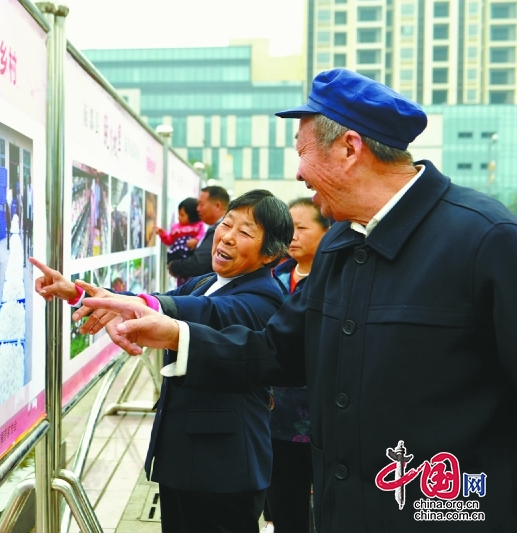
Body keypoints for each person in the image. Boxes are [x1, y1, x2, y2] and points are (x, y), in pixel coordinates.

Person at [81, 69, 517, 532]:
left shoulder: (485, 242)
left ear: (350, 149)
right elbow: (278, 351)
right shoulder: (339, 246)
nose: (298, 172)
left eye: (303, 151)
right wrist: (176, 334)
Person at [31, 189, 294, 533]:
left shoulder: (264, 297)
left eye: (244, 232)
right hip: (183, 459)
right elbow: (158, 299)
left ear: (270, 254)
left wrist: (151, 311)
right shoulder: (206, 281)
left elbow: (205, 313)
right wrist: (80, 294)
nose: (227, 237)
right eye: (226, 225)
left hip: (224, 468)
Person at [265, 197, 330, 533]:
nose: (293, 236)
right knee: (286, 510)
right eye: (289, 229)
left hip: (323, 421)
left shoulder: (335, 283)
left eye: (302, 228)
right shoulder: (272, 279)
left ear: (328, 232)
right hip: (277, 420)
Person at [167, 186, 229, 280]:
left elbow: (198, 263)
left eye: (201, 204)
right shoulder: (216, 228)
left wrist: (173, 266)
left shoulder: (221, 231)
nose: (198, 209)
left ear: (217, 206)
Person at [156, 197, 207, 287]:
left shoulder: (199, 225)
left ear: (192, 215)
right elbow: (170, 241)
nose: (179, 217)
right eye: (178, 214)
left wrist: (196, 240)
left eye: (182, 215)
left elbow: (203, 235)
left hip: (191, 259)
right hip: (179, 260)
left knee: (193, 282)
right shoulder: (176, 227)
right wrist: (163, 234)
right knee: (181, 283)